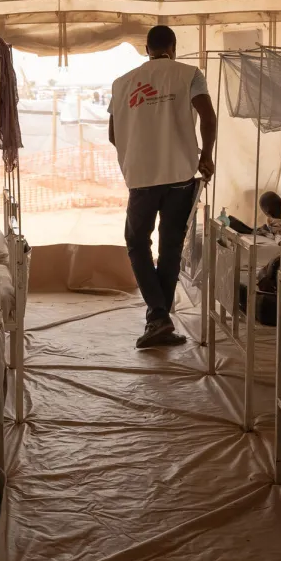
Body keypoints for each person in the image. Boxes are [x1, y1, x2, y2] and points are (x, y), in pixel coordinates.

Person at [108, 25, 217, 349]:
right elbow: (208, 118)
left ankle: (158, 317)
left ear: (147, 48)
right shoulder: (189, 74)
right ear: (173, 46)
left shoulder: (121, 83)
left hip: (141, 177)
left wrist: (135, 155)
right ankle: (160, 317)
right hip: (180, 175)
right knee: (171, 245)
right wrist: (206, 155)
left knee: (136, 242)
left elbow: (113, 134)